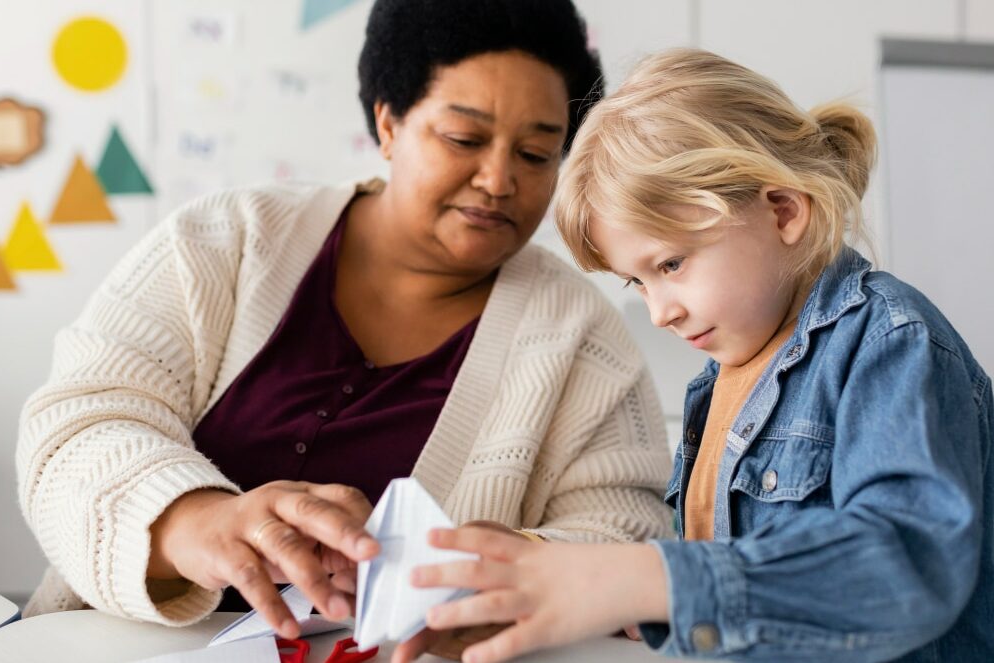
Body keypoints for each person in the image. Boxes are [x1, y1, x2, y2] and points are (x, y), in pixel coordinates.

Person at [16, 0, 674, 641]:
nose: (499, 179)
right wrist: (196, 522)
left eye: (536, 155)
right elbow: (76, 427)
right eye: (464, 138)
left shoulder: (583, 339)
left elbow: (632, 536)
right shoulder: (223, 242)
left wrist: (510, 564)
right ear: (388, 124)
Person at [398, 48, 994, 663]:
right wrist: (567, 575)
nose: (661, 312)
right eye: (638, 282)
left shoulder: (890, 343)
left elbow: (906, 565)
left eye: (671, 264)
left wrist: (643, 580)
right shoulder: (719, 383)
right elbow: (721, 587)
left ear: (783, 211)